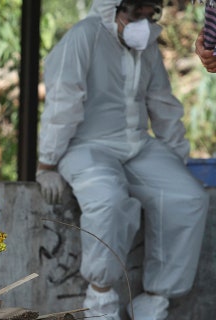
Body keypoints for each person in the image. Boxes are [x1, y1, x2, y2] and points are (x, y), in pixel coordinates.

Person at [36, 0, 209, 319]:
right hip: (86, 146)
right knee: (108, 201)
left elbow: (162, 102)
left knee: (189, 197)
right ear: (110, 7)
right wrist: (47, 164)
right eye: (135, 12)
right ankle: (100, 302)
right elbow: (63, 100)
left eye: (150, 14)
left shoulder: (147, 46)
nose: (142, 21)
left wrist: (175, 160)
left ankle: (153, 300)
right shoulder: (84, 36)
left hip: (137, 145)